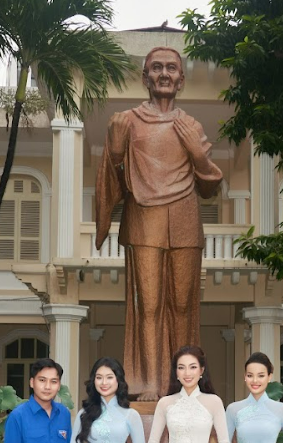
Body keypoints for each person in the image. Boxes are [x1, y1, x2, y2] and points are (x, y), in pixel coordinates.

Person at [95, 47, 224, 400]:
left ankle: (183, 384)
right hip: (144, 219)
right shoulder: (126, 122)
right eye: (156, 68)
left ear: (181, 80)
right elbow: (113, 185)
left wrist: (197, 154)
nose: (164, 74)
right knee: (148, 306)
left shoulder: (191, 126)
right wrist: (116, 153)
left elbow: (210, 188)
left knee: (183, 306)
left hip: (184, 219)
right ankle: (150, 381)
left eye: (171, 68)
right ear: (145, 77)